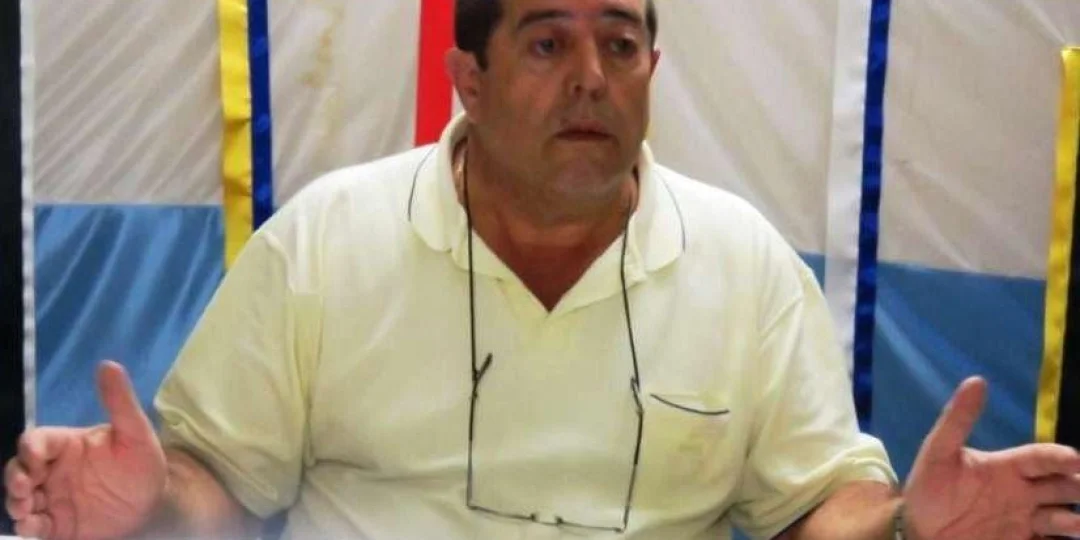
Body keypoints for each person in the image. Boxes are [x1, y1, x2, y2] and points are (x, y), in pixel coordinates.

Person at [6, 0, 1080, 538]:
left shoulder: (741, 262)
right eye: (548, 43)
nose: (591, 80)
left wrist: (904, 528)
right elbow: (219, 486)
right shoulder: (328, 240)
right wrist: (149, 506)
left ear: (652, 69)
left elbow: (817, 505)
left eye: (620, 45)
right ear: (467, 78)